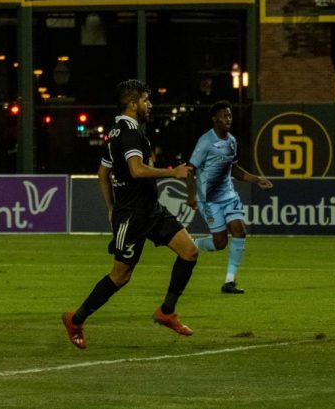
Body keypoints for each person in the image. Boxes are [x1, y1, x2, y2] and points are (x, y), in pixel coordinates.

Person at [62, 79, 199, 350]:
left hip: (151, 210)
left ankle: (166, 312)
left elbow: (103, 174)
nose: (150, 105)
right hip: (133, 216)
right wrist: (173, 172)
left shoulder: (117, 132)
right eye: (147, 100)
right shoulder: (128, 133)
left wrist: (110, 207)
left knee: (190, 251)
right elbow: (136, 170)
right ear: (133, 103)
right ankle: (75, 319)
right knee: (120, 275)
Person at [185, 100, 273, 295]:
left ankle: (230, 281)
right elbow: (190, 169)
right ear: (215, 119)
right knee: (220, 243)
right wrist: (191, 196)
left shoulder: (232, 141)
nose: (229, 119)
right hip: (209, 200)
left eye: (230, 115)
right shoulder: (205, 141)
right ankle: (189, 243)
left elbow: (234, 169)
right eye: (225, 115)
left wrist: (257, 179)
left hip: (229, 195)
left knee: (240, 231)